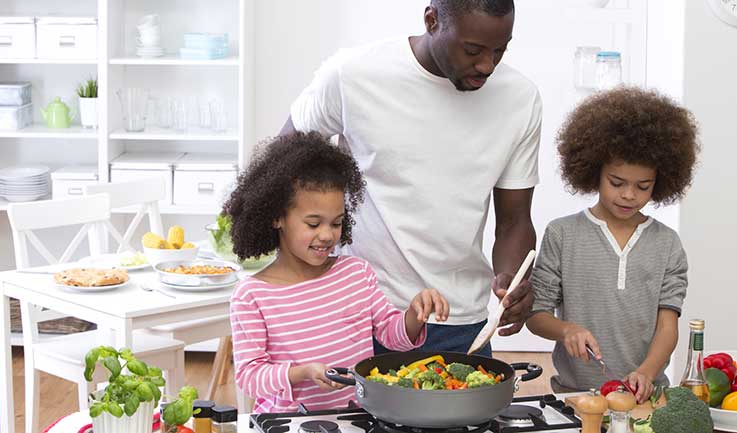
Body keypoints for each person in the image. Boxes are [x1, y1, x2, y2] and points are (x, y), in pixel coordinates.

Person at [279, 0, 541, 357]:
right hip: (357, 314)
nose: (487, 65)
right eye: (473, 50)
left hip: (460, 322)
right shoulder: (353, 75)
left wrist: (512, 282)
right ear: (432, 21)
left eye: (500, 50)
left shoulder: (520, 98)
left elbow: (514, 221)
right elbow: (281, 165)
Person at [226, 132, 450, 413]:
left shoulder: (355, 273)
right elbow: (249, 378)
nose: (327, 235)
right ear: (276, 217)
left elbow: (391, 335)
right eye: (313, 223)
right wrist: (302, 372)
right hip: (289, 423)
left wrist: (414, 315)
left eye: (336, 223)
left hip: (355, 416)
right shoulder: (252, 295)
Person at [526, 87, 700, 403]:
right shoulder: (562, 234)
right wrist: (567, 330)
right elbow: (536, 316)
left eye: (642, 186)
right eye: (617, 183)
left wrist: (646, 373)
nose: (629, 195)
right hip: (575, 394)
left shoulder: (667, 244)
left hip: (644, 394)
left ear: (660, 183)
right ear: (594, 172)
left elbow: (667, 327)